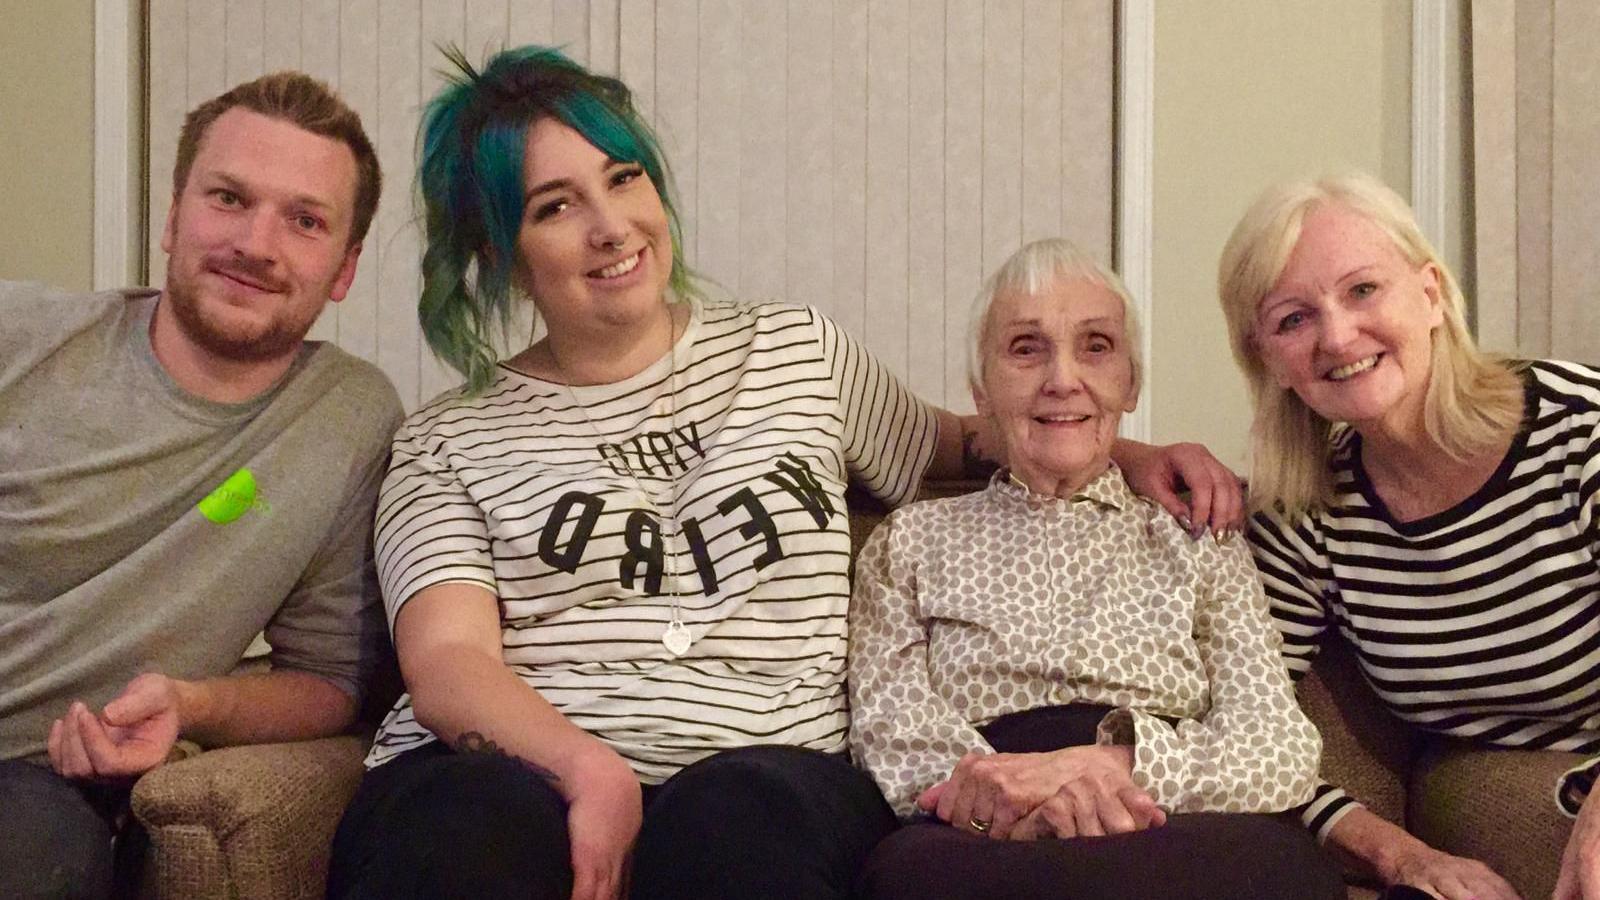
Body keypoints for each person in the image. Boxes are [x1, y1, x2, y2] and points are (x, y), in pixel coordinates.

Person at [325, 45, 1244, 900]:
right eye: (554, 206)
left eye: (623, 177)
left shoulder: (797, 352)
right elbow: (447, 660)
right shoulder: (448, 439)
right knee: (455, 838)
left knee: (740, 831)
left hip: (771, 767)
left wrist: (1133, 452)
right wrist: (588, 770)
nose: (612, 227)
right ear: (501, 256)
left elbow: (965, 442)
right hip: (514, 768)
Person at [0, 72, 402, 899]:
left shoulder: (349, 421)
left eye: (304, 220)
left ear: (343, 268)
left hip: (37, 790)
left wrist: (192, 703)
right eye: (228, 198)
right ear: (173, 215)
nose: (257, 243)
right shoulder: (23, 339)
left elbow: (330, 685)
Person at [845, 237, 1341, 899]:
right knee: (910, 877)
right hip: (984, 834)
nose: (1062, 379)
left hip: (1164, 810)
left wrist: (1119, 767)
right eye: (1026, 348)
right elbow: (890, 728)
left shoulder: (1199, 538)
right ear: (981, 389)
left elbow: (1279, 748)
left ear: (1129, 383)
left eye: (1096, 346)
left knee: (1285, 872)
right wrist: (1007, 803)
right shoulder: (909, 541)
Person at [1219, 172, 1600, 900]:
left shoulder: (1581, 435)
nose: (1337, 335)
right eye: (1294, 319)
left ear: (1430, 293)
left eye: (1363, 290)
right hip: (1499, 789)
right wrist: (1403, 858)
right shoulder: (1307, 514)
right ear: (1268, 358)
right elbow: (1249, 736)